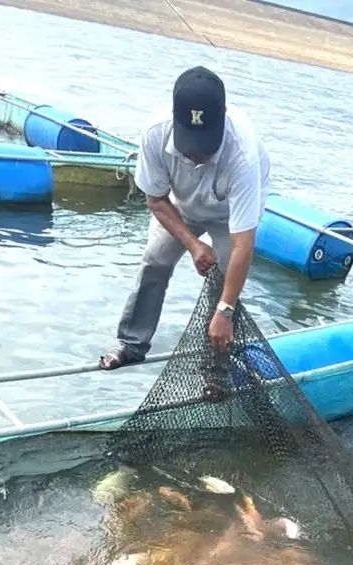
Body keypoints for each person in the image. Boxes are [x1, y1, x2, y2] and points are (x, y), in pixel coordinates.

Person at [99, 66, 271, 369]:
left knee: (224, 279)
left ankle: (214, 367)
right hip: (177, 207)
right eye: (190, 144)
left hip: (227, 215)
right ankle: (130, 344)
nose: (196, 154)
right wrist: (192, 245)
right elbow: (156, 200)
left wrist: (226, 311)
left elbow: (243, 244)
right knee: (155, 261)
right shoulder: (155, 133)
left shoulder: (244, 155)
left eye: (204, 145)